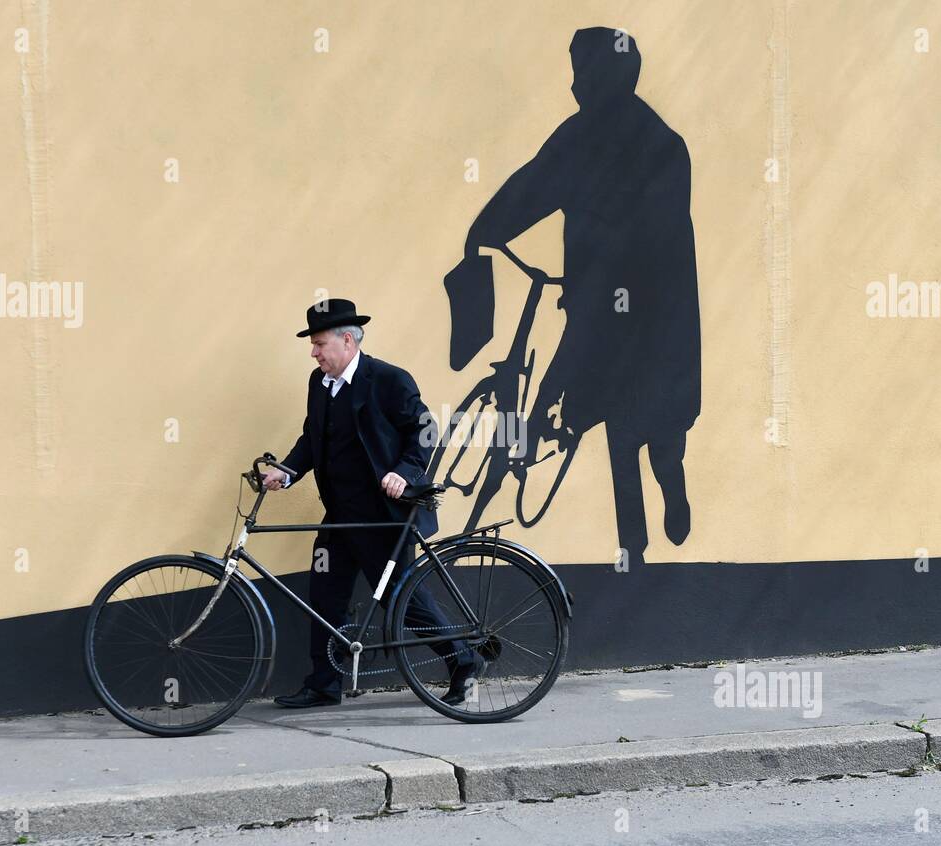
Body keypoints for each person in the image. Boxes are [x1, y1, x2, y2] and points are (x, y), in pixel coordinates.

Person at [456, 26, 701, 564]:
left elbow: (659, 242)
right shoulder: (578, 137)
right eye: (574, 74)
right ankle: (631, 550)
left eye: (582, 73)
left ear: (611, 75)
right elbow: (532, 187)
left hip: (655, 321)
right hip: (597, 308)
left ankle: (672, 484)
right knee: (615, 428)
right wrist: (484, 232)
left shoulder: (663, 148)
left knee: (657, 431)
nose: (574, 87)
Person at [266, 298, 484, 707]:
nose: (313, 353)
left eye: (318, 344)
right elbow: (311, 439)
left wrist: (403, 471)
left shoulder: (387, 380)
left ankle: (464, 660)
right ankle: (324, 684)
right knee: (325, 594)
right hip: (341, 516)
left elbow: (424, 430)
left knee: (402, 601)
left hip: (383, 516)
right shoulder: (319, 383)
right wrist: (287, 471)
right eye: (312, 346)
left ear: (347, 341)